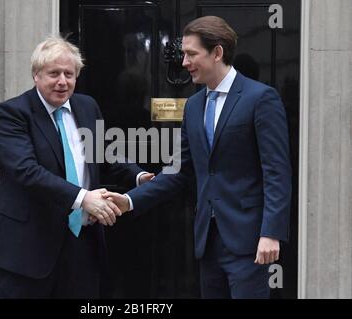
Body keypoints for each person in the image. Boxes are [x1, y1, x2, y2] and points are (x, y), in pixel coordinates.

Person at [104, 16, 292, 299]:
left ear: (217, 53)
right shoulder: (193, 106)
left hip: (250, 242)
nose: (184, 63)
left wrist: (271, 232)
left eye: (191, 54)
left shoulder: (261, 98)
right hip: (208, 242)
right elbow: (179, 171)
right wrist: (130, 200)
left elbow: (277, 171)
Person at [0, 36, 153, 298]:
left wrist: (140, 176)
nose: (62, 81)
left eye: (69, 74)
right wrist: (84, 198)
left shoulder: (87, 106)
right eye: (54, 73)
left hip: (82, 247)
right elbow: (25, 171)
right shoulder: (11, 114)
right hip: (28, 251)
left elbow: (103, 153)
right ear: (36, 75)